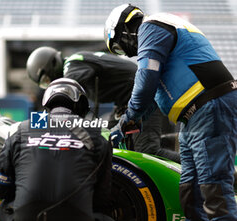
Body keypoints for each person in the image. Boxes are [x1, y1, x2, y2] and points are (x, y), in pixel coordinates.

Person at [104, 3, 237, 221]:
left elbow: (145, 81)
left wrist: (127, 120)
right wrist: (126, 125)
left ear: (124, 30)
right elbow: (150, 100)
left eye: (118, 47)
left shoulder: (151, 26)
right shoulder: (158, 41)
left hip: (209, 106)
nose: (126, 53)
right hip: (194, 116)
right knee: (189, 194)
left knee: (213, 190)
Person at [0, 78, 123, 221]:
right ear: (81, 107)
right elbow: (102, 197)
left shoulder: (21, 128)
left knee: (5, 206)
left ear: (47, 104)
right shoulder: (99, 132)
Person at [26, 46, 180, 163]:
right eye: (45, 85)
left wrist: (40, 123)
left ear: (53, 64)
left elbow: (64, 103)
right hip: (127, 103)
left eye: (46, 80)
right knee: (109, 141)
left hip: (142, 98)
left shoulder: (73, 64)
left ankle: (196, 165)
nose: (49, 85)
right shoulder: (76, 62)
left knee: (148, 150)